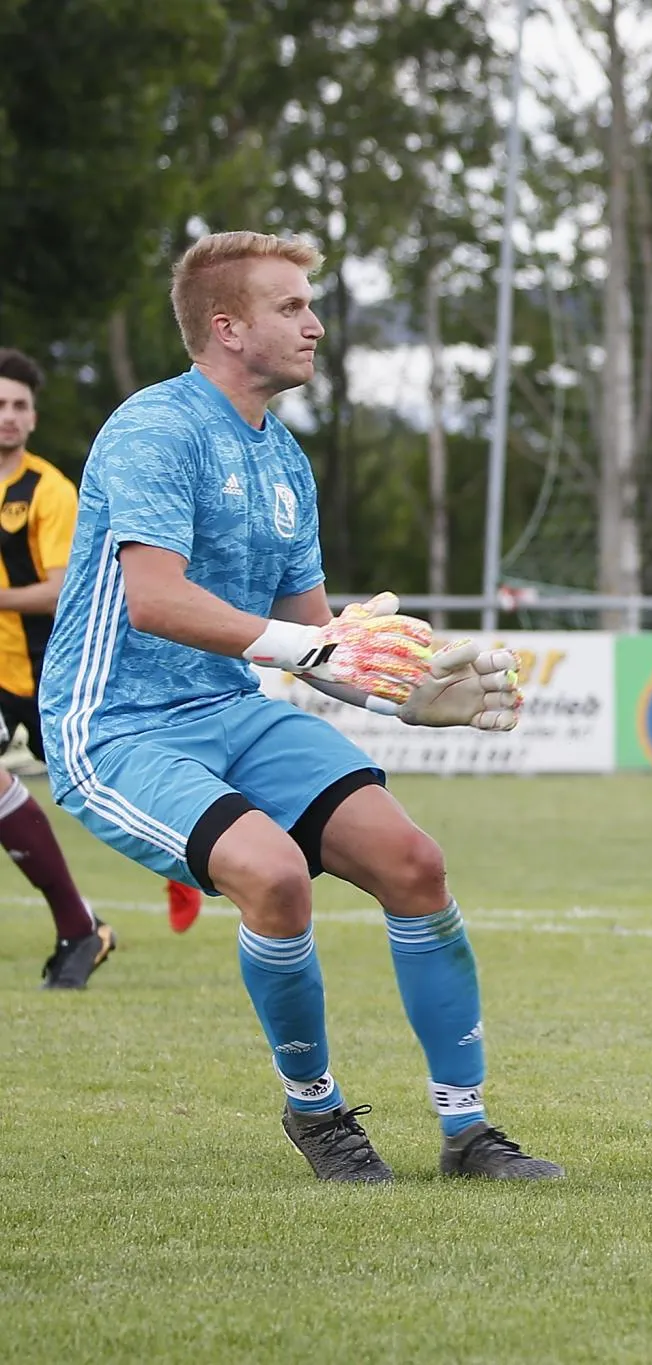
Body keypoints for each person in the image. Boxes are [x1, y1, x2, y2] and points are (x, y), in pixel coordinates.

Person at [39, 231, 559, 1183]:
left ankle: (468, 1132)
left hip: (231, 709)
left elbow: (320, 639)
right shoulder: (155, 428)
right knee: (275, 875)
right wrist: (309, 648)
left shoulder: (283, 459)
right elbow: (156, 600)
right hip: (115, 725)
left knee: (414, 861)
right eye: (292, 306)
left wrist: (409, 695)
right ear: (227, 329)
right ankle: (317, 1111)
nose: (315, 325)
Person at [0, 347, 113, 987]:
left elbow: (59, 589)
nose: (8, 416)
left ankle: (181, 869)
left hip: (55, 672)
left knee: (111, 790)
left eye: (19, 405)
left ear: (34, 418)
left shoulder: (48, 490)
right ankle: (79, 927)